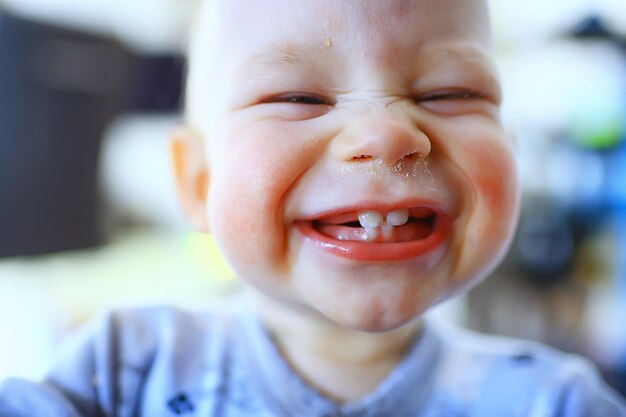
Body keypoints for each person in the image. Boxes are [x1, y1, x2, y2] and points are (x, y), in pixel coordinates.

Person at [1, 1, 625, 416]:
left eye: (448, 92)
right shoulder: (121, 372)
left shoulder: (556, 403)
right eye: (298, 96)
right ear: (197, 180)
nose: (387, 134)